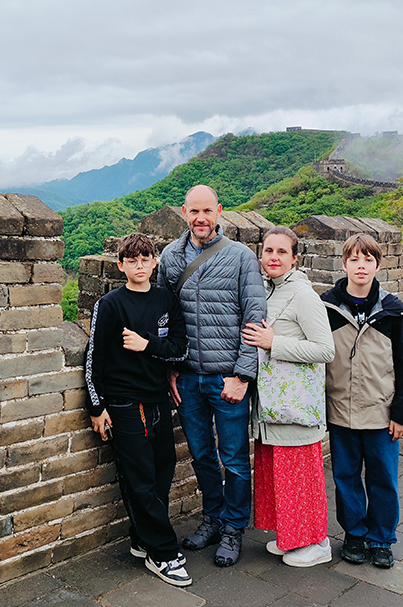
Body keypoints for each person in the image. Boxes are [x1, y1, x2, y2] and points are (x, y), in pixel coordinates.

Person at [157, 184, 267, 567]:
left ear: (219, 211)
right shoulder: (171, 257)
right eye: (193, 212)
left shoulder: (240, 257)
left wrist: (243, 375)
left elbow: (255, 318)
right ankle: (212, 520)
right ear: (184, 213)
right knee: (202, 456)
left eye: (207, 211)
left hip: (227, 378)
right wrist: (170, 370)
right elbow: (164, 318)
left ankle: (234, 528)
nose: (200, 218)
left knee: (234, 459)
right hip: (187, 376)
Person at [85, 233, 191, 587]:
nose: (140, 265)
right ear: (120, 265)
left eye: (145, 259)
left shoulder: (166, 299)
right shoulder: (111, 304)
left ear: (155, 261)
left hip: (159, 400)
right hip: (125, 404)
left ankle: (141, 538)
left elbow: (180, 350)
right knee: (141, 480)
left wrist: (148, 345)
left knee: (162, 472)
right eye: (132, 260)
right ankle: (163, 553)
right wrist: (97, 406)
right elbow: (93, 360)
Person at [320, 233, 403, 569]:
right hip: (340, 410)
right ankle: (355, 534)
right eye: (354, 260)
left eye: (368, 260)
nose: (361, 266)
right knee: (345, 476)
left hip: (381, 412)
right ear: (344, 263)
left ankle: (381, 539)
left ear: (377, 265)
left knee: (383, 479)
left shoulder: (391, 311)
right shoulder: (327, 307)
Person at [242, 226, 336, 567]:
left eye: (282, 252)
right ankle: (292, 538)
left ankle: (317, 542)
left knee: (301, 477)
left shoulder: (304, 295)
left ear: (295, 258)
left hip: (295, 404)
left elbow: (326, 349)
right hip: (271, 406)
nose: (274, 258)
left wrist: (274, 344)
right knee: (280, 476)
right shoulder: (266, 290)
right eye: (269, 251)